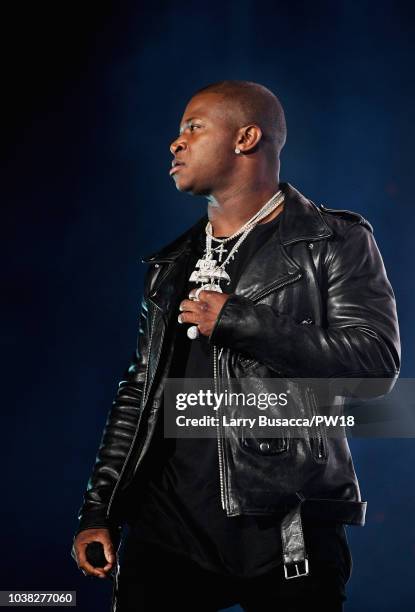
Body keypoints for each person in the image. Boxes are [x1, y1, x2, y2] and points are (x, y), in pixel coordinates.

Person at [71, 80, 400, 611]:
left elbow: (374, 366)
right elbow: (140, 389)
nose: (176, 144)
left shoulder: (332, 240)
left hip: (286, 526)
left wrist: (243, 322)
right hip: (166, 529)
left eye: (193, 128)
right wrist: (100, 509)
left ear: (246, 137)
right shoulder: (171, 264)